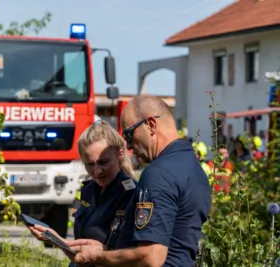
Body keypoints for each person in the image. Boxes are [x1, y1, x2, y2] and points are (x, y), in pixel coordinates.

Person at [67, 94, 211, 267]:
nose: (128, 145)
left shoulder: (159, 174)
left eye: (128, 134)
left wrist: (97, 257)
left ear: (151, 125)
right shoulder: (193, 167)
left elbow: (150, 257)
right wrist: (103, 249)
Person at [28, 120, 138, 266]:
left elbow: (129, 253)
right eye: (90, 164)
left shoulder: (132, 194)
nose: (97, 171)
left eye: (103, 162)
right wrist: (56, 239)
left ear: (120, 154)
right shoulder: (88, 189)